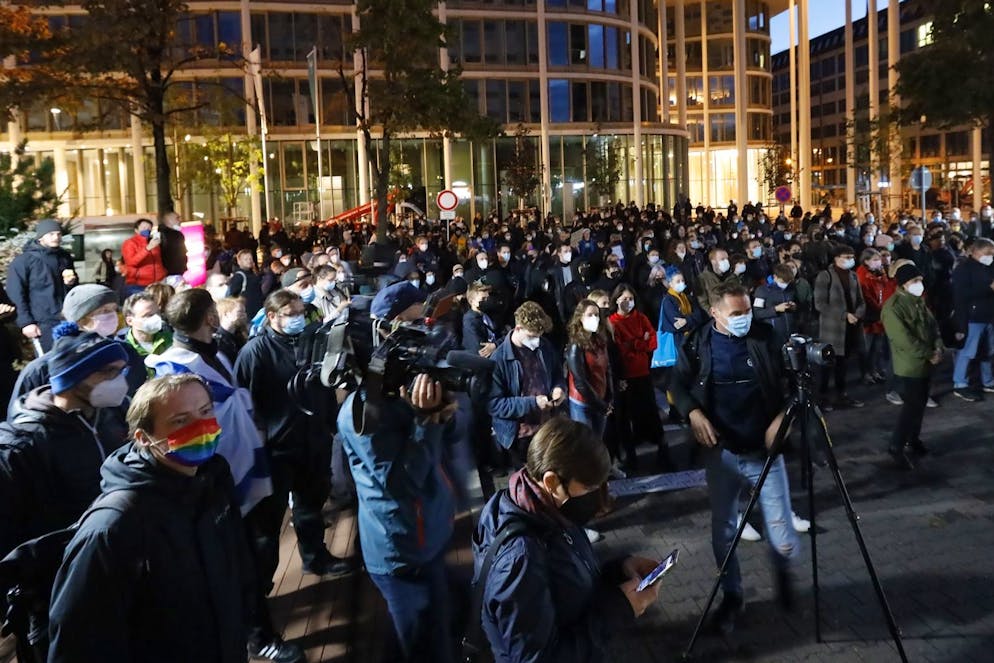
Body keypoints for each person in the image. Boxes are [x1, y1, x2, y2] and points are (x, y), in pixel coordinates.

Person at [47, 374, 254, 663]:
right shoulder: (113, 526)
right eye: (181, 420)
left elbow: (234, 560)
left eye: (205, 411)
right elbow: (79, 643)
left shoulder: (213, 477)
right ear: (144, 438)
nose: (201, 426)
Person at [472, 417, 662, 662]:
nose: (597, 500)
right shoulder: (519, 559)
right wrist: (619, 609)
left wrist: (619, 570)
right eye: (588, 489)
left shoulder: (543, 509)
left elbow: (565, 581)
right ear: (552, 481)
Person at [670, 281, 800, 634]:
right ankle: (732, 595)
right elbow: (677, 384)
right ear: (715, 313)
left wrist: (783, 420)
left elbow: (797, 385)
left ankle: (784, 576)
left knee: (780, 527)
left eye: (747, 311)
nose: (745, 318)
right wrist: (693, 414)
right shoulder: (698, 343)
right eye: (736, 313)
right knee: (724, 531)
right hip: (722, 454)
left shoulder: (766, 338)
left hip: (765, 453)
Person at [235, 290, 353, 654]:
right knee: (266, 531)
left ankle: (314, 554)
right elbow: (243, 399)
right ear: (272, 316)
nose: (298, 317)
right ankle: (259, 603)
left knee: (310, 503)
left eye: (301, 311)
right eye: (290, 312)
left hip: (312, 439)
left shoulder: (311, 341)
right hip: (276, 448)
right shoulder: (255, 352)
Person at [338, 374, 460, 663]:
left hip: (426, 537)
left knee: (435, 626)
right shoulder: (364, 414)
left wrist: (443, 416)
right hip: (403, 553)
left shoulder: (396, 394)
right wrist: (426, 422)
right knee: (423, 648)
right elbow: (403, 483)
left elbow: (446, 441)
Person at [0, 327, 129, 559]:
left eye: (120, 371)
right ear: (73, 377)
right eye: (107, 371)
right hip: (63, 562)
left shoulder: (116, 414)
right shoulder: (24, 445)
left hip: (117, 548)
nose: (118, 380)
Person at [9, 284, 146, 417]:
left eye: (113, 309)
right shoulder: (41, 369)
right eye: (104, 311)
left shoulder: (125, 353)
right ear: (81, 319)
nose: (112, 316)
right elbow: (20, 416)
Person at [488, 301, 565, 466]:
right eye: (531, 336)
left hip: (547, 427)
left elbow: (557, 373)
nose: (536, 341)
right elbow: (494, 404)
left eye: (539, 336)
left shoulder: (544, 346)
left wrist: (559, 388)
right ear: (518, 329)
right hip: (520, 436)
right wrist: (532, 403)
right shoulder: (499, 360)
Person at [881, 264, 943, 470]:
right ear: (904, 284)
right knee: (911, 407)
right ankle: (896, 446)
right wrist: (928, 353)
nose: (919, 285)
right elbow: (903, 340)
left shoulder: (917, 301)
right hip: (910, 365)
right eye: (915, 281)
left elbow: (932, 325)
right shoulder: (893, 307)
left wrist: (938, 347)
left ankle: (913, 440)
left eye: (920, 280)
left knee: (920, 404)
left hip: (926, 361)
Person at [608, 285, 671, 473]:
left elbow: (652, 341)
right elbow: (619, 349)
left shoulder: (641, 318)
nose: (628, 302)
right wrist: (638, 342)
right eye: (624, 298)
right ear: (616, 300)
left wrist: (637, 344)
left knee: (651, 414)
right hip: (625, 377)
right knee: (626, 418)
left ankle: (663, 452)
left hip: (642, 373)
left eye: (630, 298)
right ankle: (631, 457)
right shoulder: (612, 322)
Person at [7, 219, 77, 353]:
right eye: (51, 234)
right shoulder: (24, 261)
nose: (56, 237)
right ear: (40, 237)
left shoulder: (64, 257)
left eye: (58, 234)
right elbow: (16, 293)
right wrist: (26, 322)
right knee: (48, 362)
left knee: (71, 360)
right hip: (41, 323)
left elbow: (73, 288)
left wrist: (70, 283)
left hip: (66, 318)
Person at [813, 244, 866, 409]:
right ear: (836, 258)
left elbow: (860, 300)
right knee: (827, 364)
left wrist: (857, 313)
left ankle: (841, 395)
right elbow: (820, 304)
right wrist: (844, 315)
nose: (850, 260)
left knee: (843, 364)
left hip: (851, 327)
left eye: (852, 257)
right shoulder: (825, 276)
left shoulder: (853, 276)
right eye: (847, 257)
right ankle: (821, 397)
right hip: (832, 329)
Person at [950, 237, 994, 402]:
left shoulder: (989, 267)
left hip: (989, 316)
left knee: (988, 351)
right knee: (968, 352)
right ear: (975, 251)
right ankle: (960, 383)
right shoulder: (964, 268)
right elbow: (961, 295)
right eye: (987, 253)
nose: (990, 256)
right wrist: (987, 289)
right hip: (973, 317)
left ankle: (987, 381)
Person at [566, 299, 614, 439]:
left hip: (600, 398)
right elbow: (580, 381)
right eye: (590, 315)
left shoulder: (599, 340)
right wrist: (600, 404)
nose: (595, 318)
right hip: (583, 402)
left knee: (598, 442)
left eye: (597, 315)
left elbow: (607, 369)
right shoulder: (576, 345)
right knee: (587, 444)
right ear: (580, 318)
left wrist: (609, 396)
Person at [855, 248, 897, 388]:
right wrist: (880, 309)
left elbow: (886, 288)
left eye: (879, 259)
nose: (878, 262)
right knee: (866, 347)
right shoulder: (861, 275)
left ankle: (873, 371)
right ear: (866, 261)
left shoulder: (880, 272)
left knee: (877, 347)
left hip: (880, 316)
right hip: (870, 316)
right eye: (875, 260)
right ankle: (865, 373)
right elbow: (866, 297)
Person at [752, 263, 801, 349]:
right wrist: (775, 309)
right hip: (773, 337)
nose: (785, 284)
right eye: (783, 281)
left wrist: (794, 307)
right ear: (775, 277)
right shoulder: (762, 291)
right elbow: (757, 314)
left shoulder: (791, 289)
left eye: (788, 282)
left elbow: (798, 306)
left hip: (790, 335)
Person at [120, 291, 173, 362]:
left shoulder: (170, 340)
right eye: (148, 315)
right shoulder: (122, 348)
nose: (156, 318)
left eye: (157, 313)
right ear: (130, 321)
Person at [121, 218, 167, 296]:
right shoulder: (130, 243)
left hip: (157, 284)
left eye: (149, 228)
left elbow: (159, 261)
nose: (147, 230)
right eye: (144, 227)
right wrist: (147, 248)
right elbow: (131, 262)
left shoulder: (154, 243)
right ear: (136, 230)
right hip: (138, 285)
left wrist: (163, 274)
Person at [227, 249, 265, 319]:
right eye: (246, 259)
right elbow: (233, 295)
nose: (249, 261)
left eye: (250, 258)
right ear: (239, 261)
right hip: (248, 313)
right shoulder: (239, 276)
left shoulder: (252, 274)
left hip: (257, 311)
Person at [215, 296, 250, 366]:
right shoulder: (216, 341)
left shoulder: (242, 337)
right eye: (240, 312)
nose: (244, 315)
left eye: (244, 312)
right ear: (226, 314)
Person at [158, 211, 189, 283]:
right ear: (169, 220)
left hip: (175, 268)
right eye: (177, 218)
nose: (180, 220)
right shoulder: (166, 235)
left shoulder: (176, 234)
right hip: (172, 270)